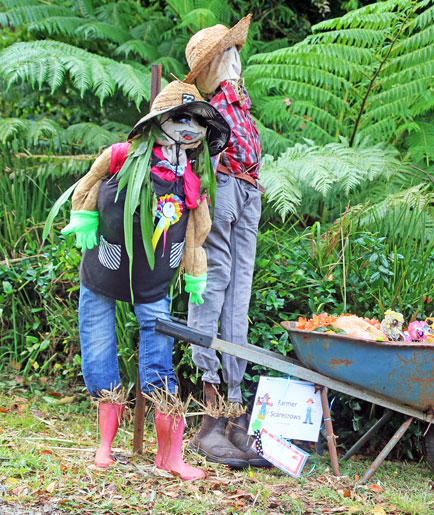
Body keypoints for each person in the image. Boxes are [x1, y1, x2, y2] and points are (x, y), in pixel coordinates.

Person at [53, 81, 230, 480]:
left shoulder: (191, 181)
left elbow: (197, 233)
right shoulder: (121, 157)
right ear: (159, 122)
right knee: (99, 352)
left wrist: (196, 271)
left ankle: (169, 457)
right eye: (180, 119)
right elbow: (88, 186)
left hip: (154, 280)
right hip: (104, 269)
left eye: (197, 124)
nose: (188, 129)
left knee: (159, 360)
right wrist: (82, 217)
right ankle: (104, 446)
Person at [182, 16, 271, 469]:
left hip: (248, 191)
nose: (235, 59)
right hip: (224, 191)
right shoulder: (207, 108)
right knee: (213, 283)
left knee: (240, 294)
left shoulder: (241, 101)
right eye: (227, 53)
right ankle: (209, 411)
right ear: (215, 63)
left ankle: (234, 413)